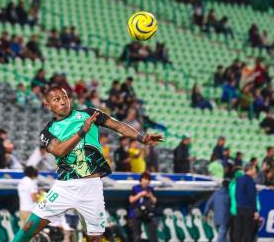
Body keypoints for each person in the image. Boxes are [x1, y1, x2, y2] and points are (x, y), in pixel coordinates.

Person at [13, 86, 163, 241]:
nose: (63, 101)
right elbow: (59, 151)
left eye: (65, 97)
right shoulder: (48, 131)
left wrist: (141, 138)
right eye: (56, 99)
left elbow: (118, 125)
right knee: (30, 226)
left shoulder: (89, 114)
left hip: (92, 187)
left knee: (95, 238)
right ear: (48, 105)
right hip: (65, 186)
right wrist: (82, 131)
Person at [129, 172, 157, 242]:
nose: (146, 181)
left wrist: (150, 196)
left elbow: (155, 201)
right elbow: (131, 200)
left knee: (152, 228)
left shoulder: (150, 189)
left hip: (146, 213)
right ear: (141, 180)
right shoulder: (135, 188)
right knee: (136, 234)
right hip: (136, 213)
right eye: (145, 179)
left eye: (148, 179)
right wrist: (140, 194)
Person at [234, 163, 258, 242]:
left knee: (239, 230)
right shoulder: (249, 180)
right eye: (254, 168)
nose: (255, 170)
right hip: (248, 209)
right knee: (247, 231)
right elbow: (252, 196)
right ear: (250, 169)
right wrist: (255, 211)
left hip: (239, 207)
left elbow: (236, 194)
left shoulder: (239, 179)